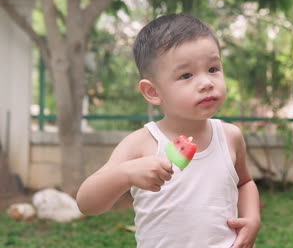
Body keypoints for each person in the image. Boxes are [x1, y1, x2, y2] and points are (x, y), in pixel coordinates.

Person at [76, 13, 261, 248]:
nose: (206, 82)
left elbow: (244, 183)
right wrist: (126, 174)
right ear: (153, 92)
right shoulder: (142, 143)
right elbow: (86, 203)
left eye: (213, 68)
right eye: (186, 75)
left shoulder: (230, 136)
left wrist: (252, 218)